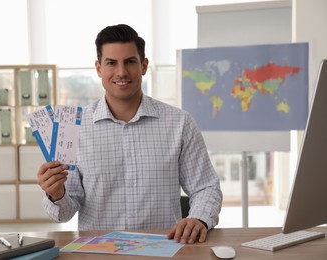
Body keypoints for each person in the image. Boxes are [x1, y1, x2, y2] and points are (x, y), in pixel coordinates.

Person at [37, 24, 222, 244]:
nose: (121, 72)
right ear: (98, 69)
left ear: (143, 66)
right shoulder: (73, 128)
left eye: (130, 62)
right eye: (111, 63)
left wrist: (199, 219)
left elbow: (206, 187)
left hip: (164, 251)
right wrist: (56, 193)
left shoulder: (180, 123)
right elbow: (65, 212)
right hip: (98, 254)